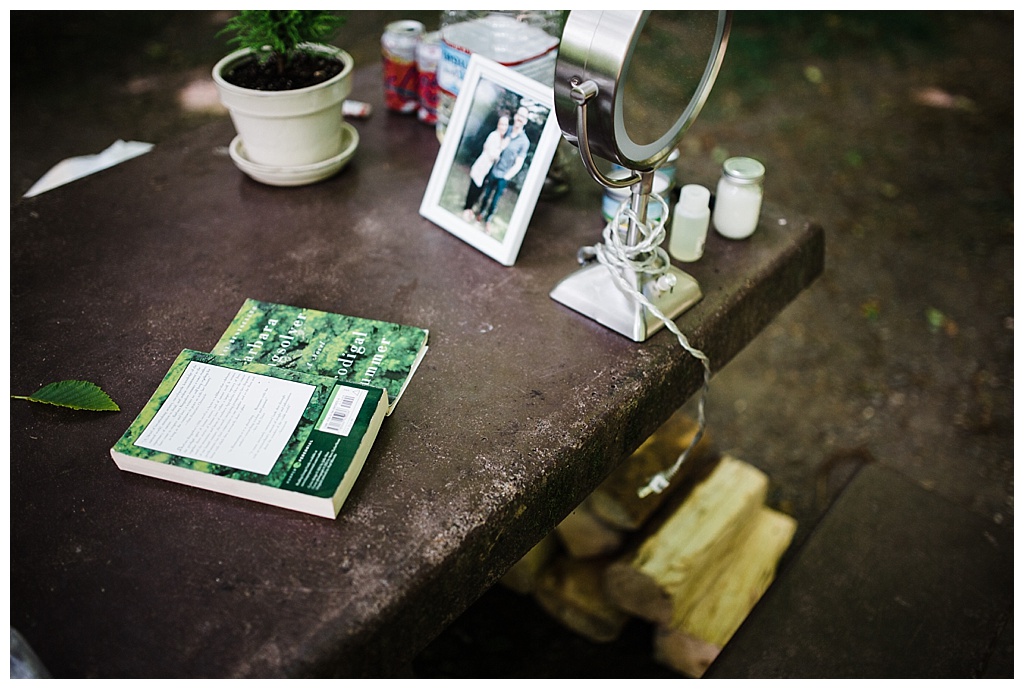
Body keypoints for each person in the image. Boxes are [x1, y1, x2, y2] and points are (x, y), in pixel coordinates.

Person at [476, 106, 531, 234]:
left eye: (523, 117)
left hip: (503, 176)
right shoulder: (507, 129)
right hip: (493, 169)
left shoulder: (524, 142)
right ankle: (481, 213)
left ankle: (488, 220)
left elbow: (519, 163)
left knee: (495, 200)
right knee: (486, 194)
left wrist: (506, 176)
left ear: (526, 121)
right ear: (515, 115)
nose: (520, 118)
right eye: (519, 115)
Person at [462, 114, 509, 222]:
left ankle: (469, 209)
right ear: (498, 125)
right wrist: (501, 147)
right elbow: (492, 154)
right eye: (502, 124)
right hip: (481, 167)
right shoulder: (494, 136)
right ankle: (467, 209)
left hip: (486, 170)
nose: (503, 127)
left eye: (505, 125)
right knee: (474, 189)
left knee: (479, 191)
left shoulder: (500, 138)